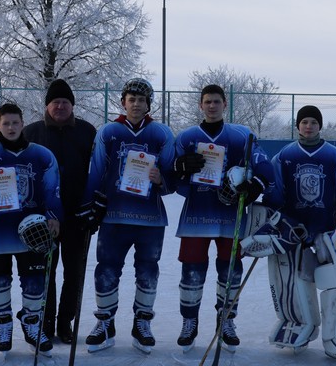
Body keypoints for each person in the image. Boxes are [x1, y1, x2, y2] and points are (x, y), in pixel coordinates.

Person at [258, 105, 336, 361]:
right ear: (297, 125)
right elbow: (275, 190)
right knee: (293, 279)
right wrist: (274, 211)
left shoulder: (332, 155)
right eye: (304, 122)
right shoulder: (284, 156)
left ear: (319, 125)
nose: (309, 126)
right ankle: (300, 323)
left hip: (327, 228)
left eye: (313, 121)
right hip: (295, 229)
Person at [171, 84, 276, 352]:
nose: (212, 106)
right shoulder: (186, 137)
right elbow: (170, 174)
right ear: (200, 105)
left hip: (232, 217)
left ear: (225, 104)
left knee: (230, 271)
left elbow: (265, 166)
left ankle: (226, 321)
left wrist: (256, 186)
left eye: (217, 101)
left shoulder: (242, 135)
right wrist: (179, 168)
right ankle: (189, 322)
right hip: (196, 215)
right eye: (207, 101)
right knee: (192, 272)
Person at [77, 78, 176, 354]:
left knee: (148, 271)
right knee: (106, 269)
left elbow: (173, 178)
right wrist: (89, 206)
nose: (136, 104)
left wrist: (161, 179)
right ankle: (105, 323)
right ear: (123, 102)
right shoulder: (108, 132)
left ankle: (142, 323)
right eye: (131, 99)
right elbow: (95, 170)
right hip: (114, 216)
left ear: (148, 104)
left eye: (141, 100)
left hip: (150, 220)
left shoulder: (162, 134)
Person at [0, 103, 63, 357]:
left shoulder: (43, 155)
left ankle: (32, 324)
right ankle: (3, 325)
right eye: (5, 123)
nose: (11, 127)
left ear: (23, 124)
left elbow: (52, 189)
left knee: (34, 282)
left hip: (33, 230)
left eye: (15, 122)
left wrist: (54, 216)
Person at [22, 79, 97, 343]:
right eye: (56, 102)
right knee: (46, 271)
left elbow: (97, 171)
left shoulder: (88, 131)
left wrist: (93, 208)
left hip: (78, 215)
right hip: (44, 217)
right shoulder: (31, 133)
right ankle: (46, 322)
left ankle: (65, 322)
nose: (61, 106)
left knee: (74, 272)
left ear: (73, 105)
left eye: (66, 102)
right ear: (47, 105)